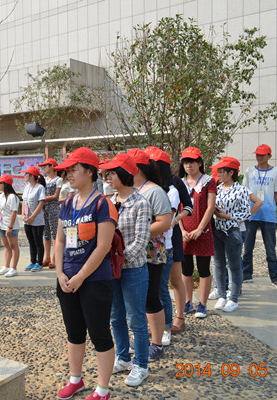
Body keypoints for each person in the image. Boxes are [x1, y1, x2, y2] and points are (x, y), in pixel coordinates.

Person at [54, 147, 118, 400]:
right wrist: (60, 273)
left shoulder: (103, 205)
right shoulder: (67, 203)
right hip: (67, 280)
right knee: (74, 333)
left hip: (94, 281)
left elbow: (103, 247)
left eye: (74, 169)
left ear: (90, 172)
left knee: (100, 334)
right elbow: (60, 241)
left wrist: (80, 277)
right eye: (67, 170)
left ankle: (103, 388)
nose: (69, 174)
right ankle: (75, 380)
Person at [100, 153, 152, 387]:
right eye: (107, 173)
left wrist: (118, 260)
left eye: (112, 173)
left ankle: (141, 364)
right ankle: (122, 358)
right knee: (115, 316)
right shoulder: (108, 202)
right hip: (113, 270)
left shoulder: (141, 202)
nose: (108, 177)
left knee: (137, 319)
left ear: (124, 174)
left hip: (133, 270)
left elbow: (141, 240)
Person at [128, 148, 171, 362]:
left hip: (151, 253)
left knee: (151, 298)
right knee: (138, 299)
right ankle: (143, 338)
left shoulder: (155, 191)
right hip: (133, 252)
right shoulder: (129, 189)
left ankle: (157, 344)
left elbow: (165, 222)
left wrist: (138, 233)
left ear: (136, 168)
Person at [145, 146, 192, 342]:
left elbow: (187, 207)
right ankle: (158, 325)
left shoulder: (173, 187)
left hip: (167, 241)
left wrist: (174, 220)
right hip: (153, 242)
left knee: (168, 283)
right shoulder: (146, 187)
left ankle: (173, 321)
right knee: (153, 287)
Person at [212, 157, 262, 312]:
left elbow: (246, 212)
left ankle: (233, 298)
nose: (219, 174)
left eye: (222, 172)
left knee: (234, 265)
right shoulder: (217, 189)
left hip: (232, 231)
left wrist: (227, 216)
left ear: (231, 173)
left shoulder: (241, 190)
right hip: (217, 230)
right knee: (218, 264)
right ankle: (222, 295)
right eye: (219, 171)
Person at [178, 147, 217, 319]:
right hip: (184, 233)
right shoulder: (179, 182)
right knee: (185, 269)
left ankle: (202, 304)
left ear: (200, 163)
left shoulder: (209, 181)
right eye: (186, 162)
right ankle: (188, 301)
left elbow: (210, 207)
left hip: (203, 231)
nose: (189, 165)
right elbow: (176, 208)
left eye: (192, 162)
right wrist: (181, 230)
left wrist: (200, 229)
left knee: (203, 268)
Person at [242, 144, 277, 290]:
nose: (259, 157)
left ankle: (275, 278)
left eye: (262, 155)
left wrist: (269, 206)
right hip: (251, 214)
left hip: (268, 215)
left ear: (269, 156)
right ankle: (246, 274)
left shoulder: (276, 172)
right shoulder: (249, 171)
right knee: (248, 247)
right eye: (257, 154)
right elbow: (245, 191)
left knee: (270, 248)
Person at [0, 175, 20, 278]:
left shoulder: (12, 197)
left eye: (0, 183)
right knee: (6, 246)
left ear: (5, 184)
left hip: (10, 225)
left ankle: (14, 268)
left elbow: (14, 212)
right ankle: (6, 266)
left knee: (13, 246)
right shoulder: (0, 196)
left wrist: (10, 227)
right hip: (2, 225)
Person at [21, 165, 46, 272]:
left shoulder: (40, 188)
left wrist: (32, 216)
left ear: (32, 176)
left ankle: (39, 263)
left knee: (38, 241)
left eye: (26, 174)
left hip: (37, 220)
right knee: (31, 241)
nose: (24, 175)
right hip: (27, 220)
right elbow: (23, 202)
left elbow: (41, 203)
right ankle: (32, 261)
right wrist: (23, 215)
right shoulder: (26, 187)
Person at [39, 158, 62, 269]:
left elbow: (56, 196)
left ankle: (55, 258)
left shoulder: (58, 180)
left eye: (46, 166)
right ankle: (46, 257)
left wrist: (42, 199)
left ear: (52, 166)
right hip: (44, 208)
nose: (44, 168)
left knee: (55, 233)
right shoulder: (43, 179)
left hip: (53, 208)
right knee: (46, 234)